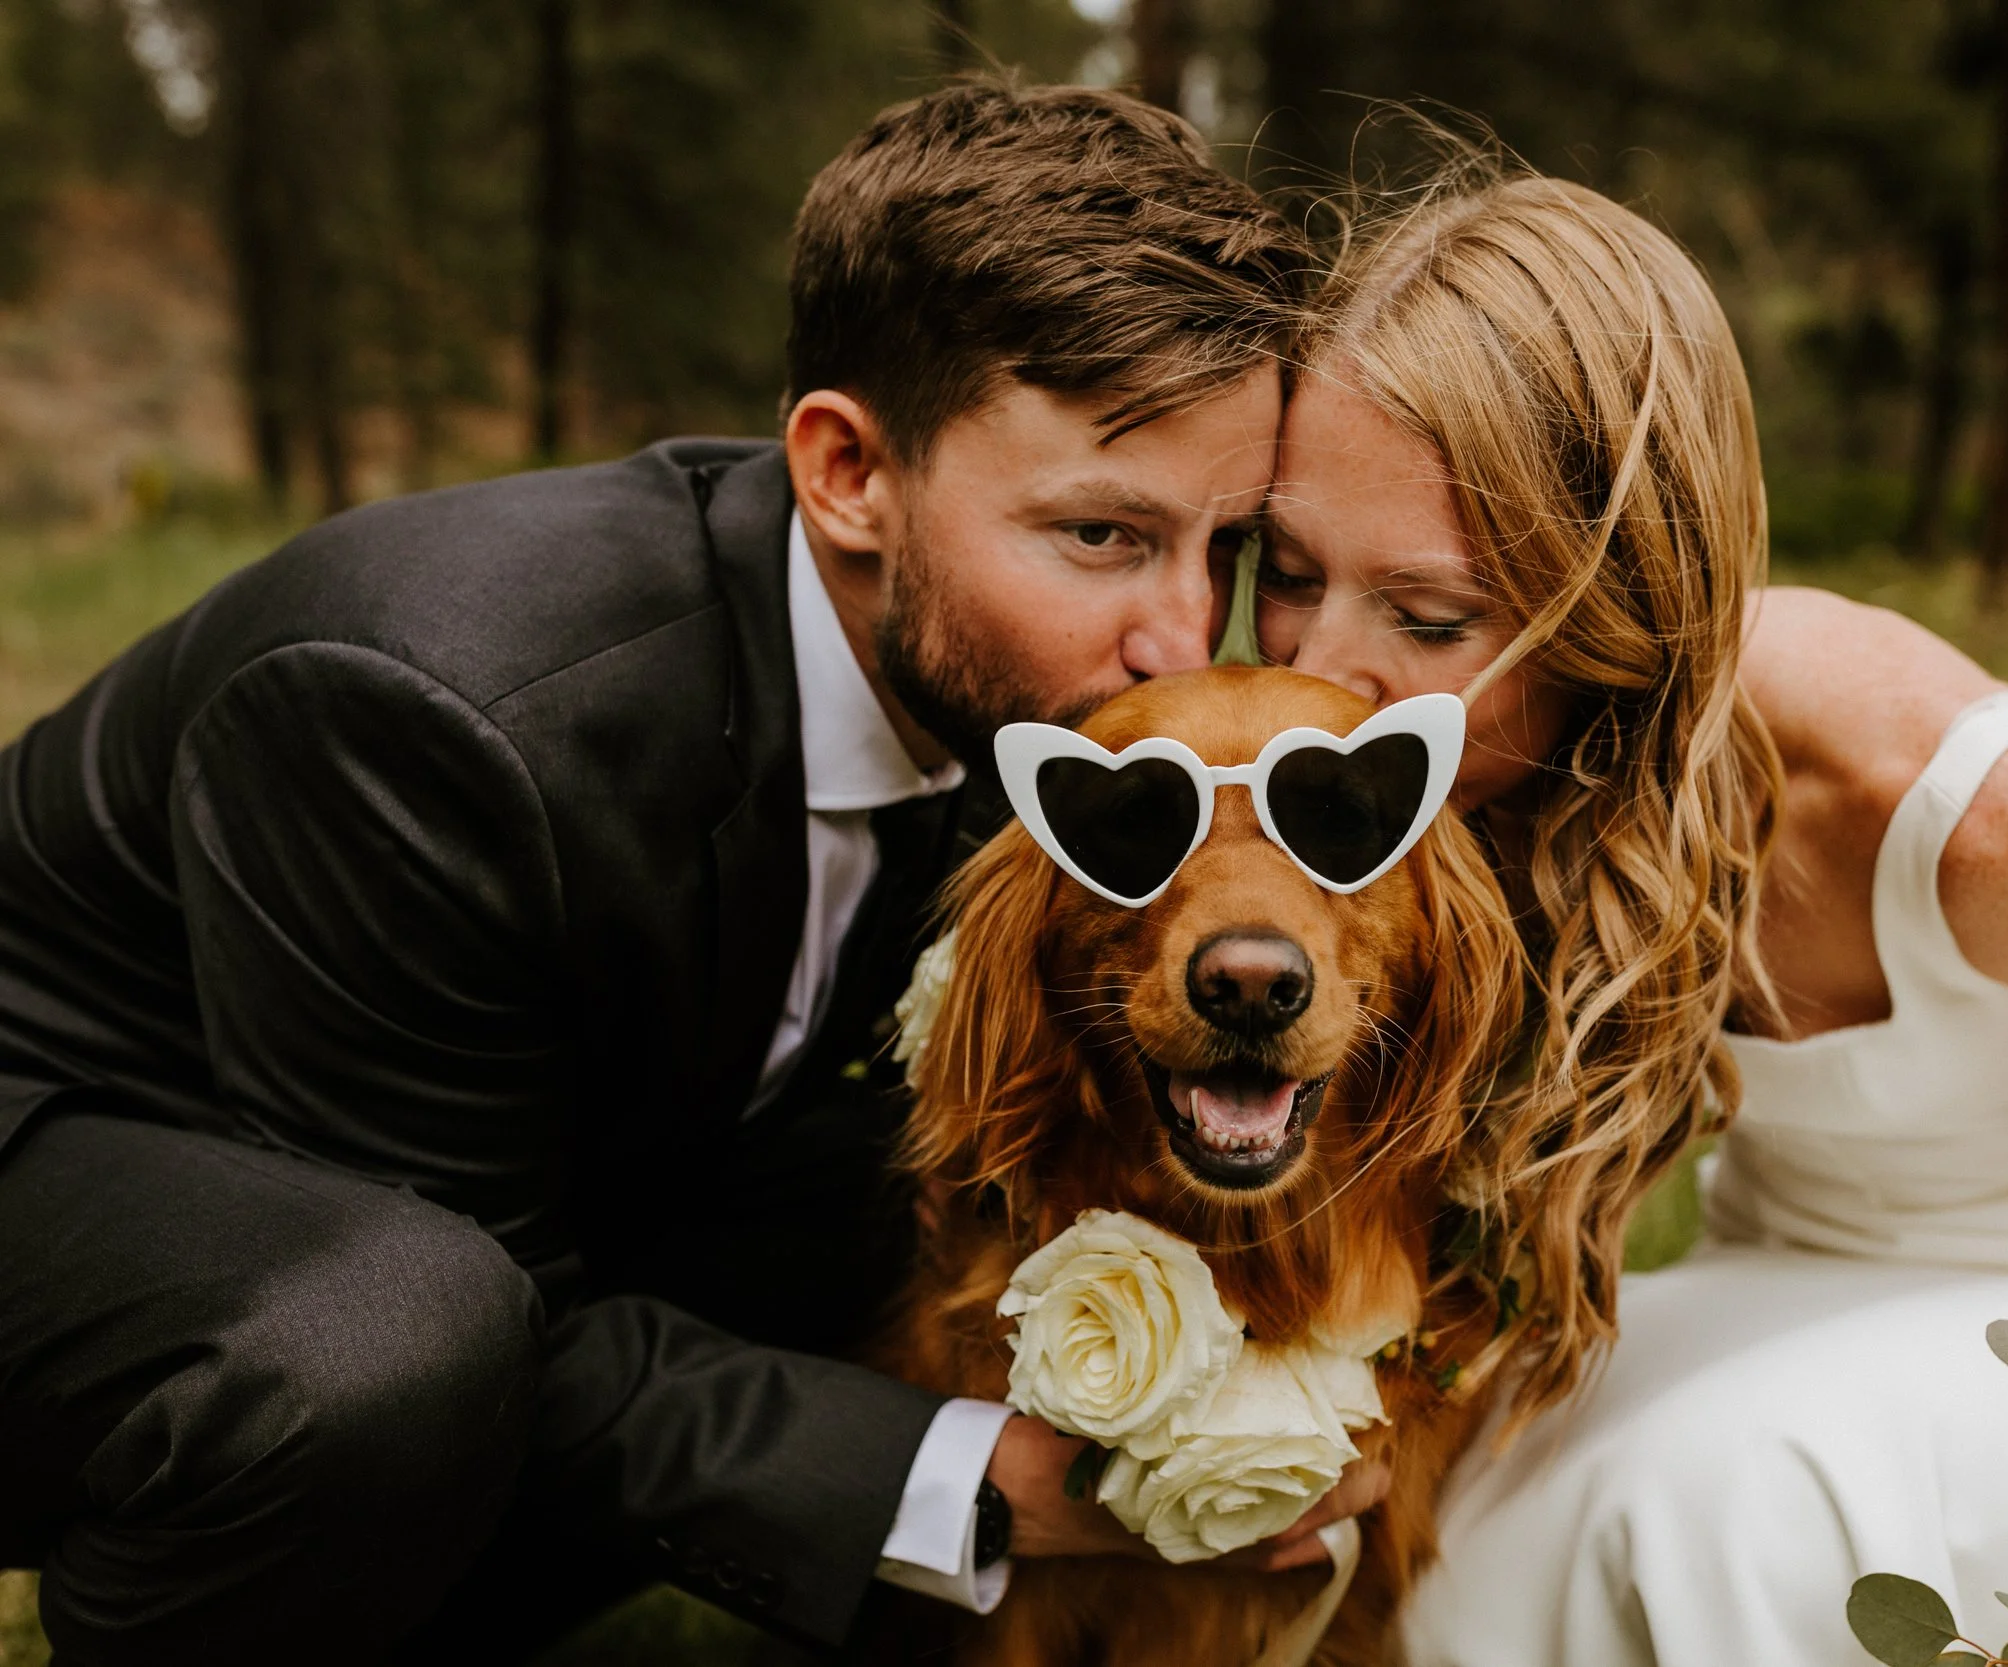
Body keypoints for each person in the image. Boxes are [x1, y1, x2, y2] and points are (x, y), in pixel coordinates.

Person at [0, 81, 1368, 1666]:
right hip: (62, 1154)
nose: (1178, 641)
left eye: (1227, 547)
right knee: (393, 1347)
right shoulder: (432, 714)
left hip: (464, 1170)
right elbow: (481, 1282)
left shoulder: (1008, 700)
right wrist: (962, 1479)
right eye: (1101, 537)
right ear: (850, 470)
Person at [1249, 166, 2008, 1664]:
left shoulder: (1952, 800)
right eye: (1289, 578)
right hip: (1791, 1270)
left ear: (1618, 592)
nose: (1325, 678)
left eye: (1429, 618)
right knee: (1466, 1524)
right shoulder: (1464, 778)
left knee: (1715, 1506)